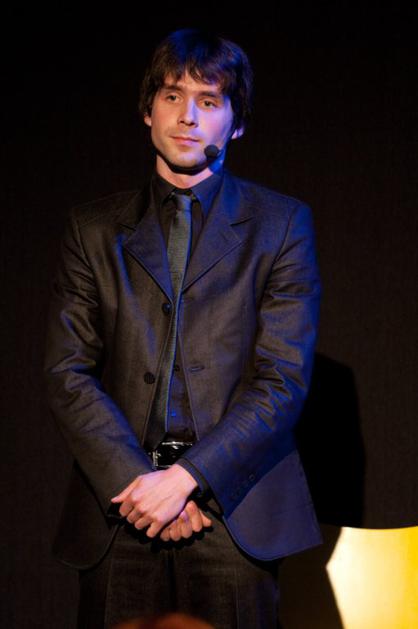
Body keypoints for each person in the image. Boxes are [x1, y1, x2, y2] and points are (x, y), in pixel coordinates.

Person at [43, 27, 322, 629]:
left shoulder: (281, 225)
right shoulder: (93, 230)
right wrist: (143, 485)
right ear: (148, 111)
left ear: (236, 123)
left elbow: (282, 379)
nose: (187, 116)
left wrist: (189, 479)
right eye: (172, 96)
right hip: (124, 506)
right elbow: (67, 372)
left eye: (209, 100)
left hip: (232, 508)